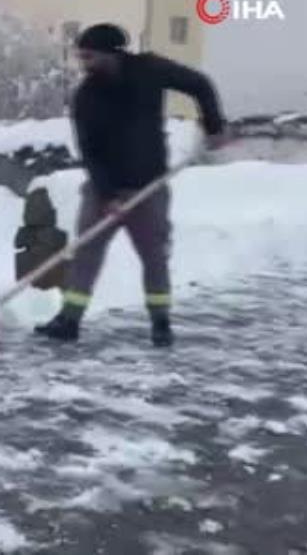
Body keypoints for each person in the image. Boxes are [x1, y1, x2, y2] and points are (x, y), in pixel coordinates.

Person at [34, 23, 228, 348]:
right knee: (86, 253)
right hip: (103, 189)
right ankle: (70, 320)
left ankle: (160, 323)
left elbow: (199, 84)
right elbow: (89, 150)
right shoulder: (86, 96)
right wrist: (107, 195)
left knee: (155, 256)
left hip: (149, 185)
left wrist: (214, 125)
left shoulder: (150, 70)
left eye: (89, 56)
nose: (84, 64)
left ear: (111, 53)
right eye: (81, 56)